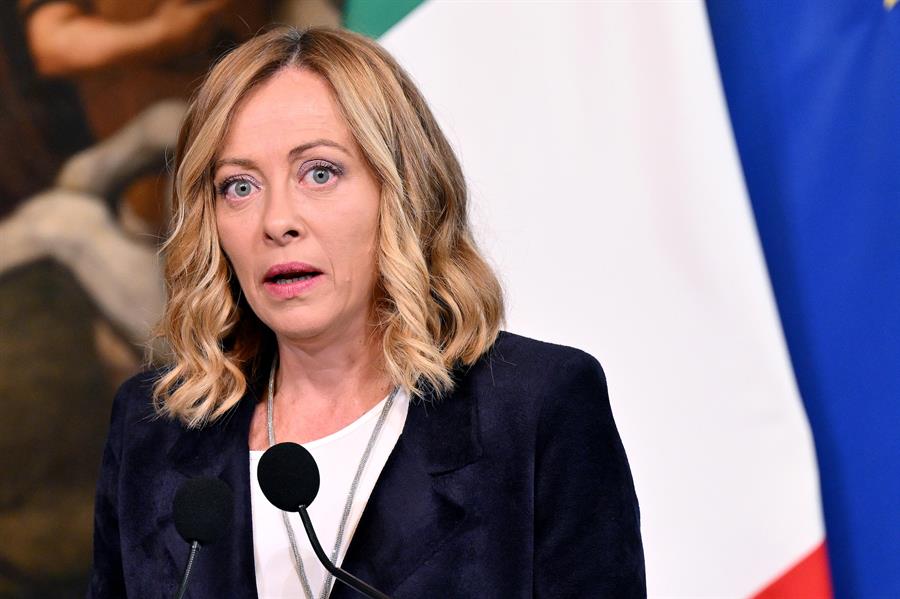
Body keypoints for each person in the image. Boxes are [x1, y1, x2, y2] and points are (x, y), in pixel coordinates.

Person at [87, 26, 645, 598]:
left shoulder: (535, 408)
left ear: (402, 190)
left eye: (319, 173)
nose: (276, 221)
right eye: (239, 186)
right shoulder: (150, 429)